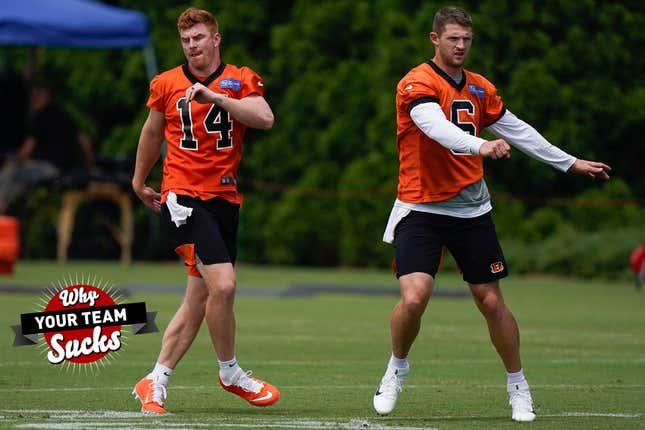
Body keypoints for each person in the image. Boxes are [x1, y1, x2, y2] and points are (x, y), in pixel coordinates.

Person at [373, 6, 611, 422]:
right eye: (452, 39)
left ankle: (518, 385)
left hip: (470, 210)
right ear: (435, 39)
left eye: (466, 39)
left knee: (490, 301)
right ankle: (396, 367)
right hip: (420, 206)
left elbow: (516, 129)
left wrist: (568, 162)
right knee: (414, 297)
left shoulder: (481, 89)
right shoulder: (416, 83)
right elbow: (434, 126)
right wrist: (478, 145)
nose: (461, 46)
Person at [131, 7, 279, 415]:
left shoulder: (240, 78)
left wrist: (216, 96)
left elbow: (264, 117)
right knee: (225, 285)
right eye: (186, 40)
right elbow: (152, 129)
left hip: (224, 199)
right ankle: (230, 371)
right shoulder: (166, 83)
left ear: (216, 39)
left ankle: (154, 380)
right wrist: (138, 180)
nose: (192, 45)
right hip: (182, 196)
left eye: (199, 38)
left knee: (199, 297)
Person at [0, 81, 94, 214]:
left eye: (36, 96)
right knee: (18, 183)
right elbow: (85, 141)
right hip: (62, 169)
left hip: (46, 169)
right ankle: (6, 210)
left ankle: (2, 210)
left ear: (44, 95)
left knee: (10, 172)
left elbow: (25, 153)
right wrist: (89, 166)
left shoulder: (40, 117)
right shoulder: (63, 115)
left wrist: (11, 158)